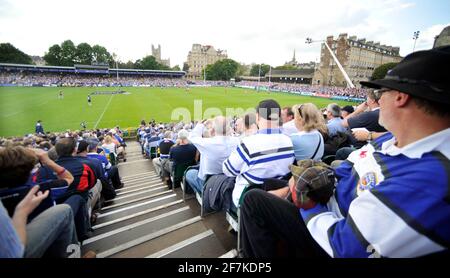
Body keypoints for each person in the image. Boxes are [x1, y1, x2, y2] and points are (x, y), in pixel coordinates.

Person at [239, 46, 450, 258]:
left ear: (400, 97)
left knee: (253, 200)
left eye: (381, 92)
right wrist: (302, 183)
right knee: (272, 185)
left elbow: (344, 247)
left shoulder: (429, 181)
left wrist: (304, 200)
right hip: (328, 201)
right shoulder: (391, 139)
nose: (373, 102)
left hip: (329, 233)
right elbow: (345, 167)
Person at [223, 99, 295, 207]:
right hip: (280, 198)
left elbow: (228, 170)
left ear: (257, 117)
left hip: (250, 202)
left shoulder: (248, 143)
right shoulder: (289, 141)